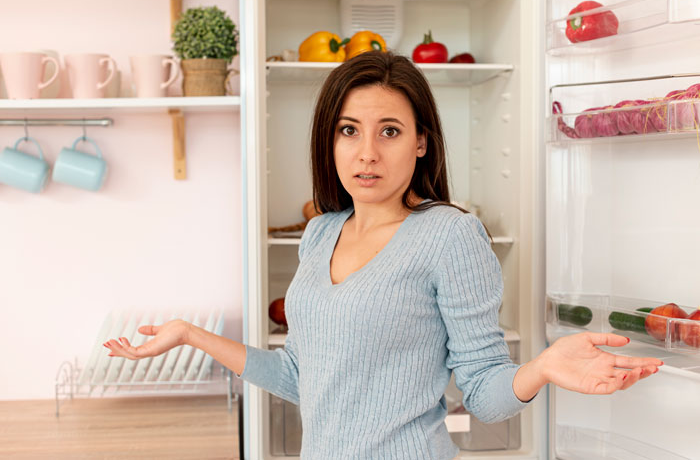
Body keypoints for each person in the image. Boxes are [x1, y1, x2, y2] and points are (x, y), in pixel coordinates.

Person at [104, 51, 663, 459]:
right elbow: (301, 377)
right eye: (350, 130)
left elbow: (486, 394)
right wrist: (188, 334)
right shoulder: (320, 233)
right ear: (331, 139)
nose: (366, 153)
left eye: (389, 131)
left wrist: (539, 368)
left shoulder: (451, 235)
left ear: (421, 142)